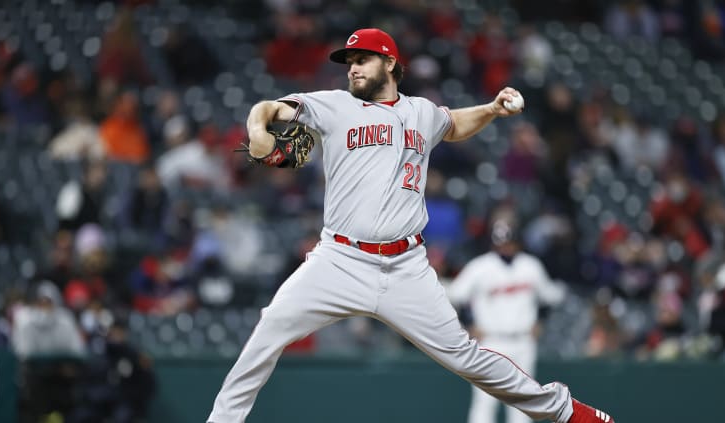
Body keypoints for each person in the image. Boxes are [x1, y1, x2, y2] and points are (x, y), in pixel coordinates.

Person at [207, 28, 614, 423]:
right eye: (350, 62)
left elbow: (452, 124)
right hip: (340, 259)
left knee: (466, 357)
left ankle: (564, 411)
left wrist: (490, 110)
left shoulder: (420, 111)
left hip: (406, 267)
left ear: (389, 62)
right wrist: (258, 130)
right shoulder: (334, 105)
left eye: (362, 59)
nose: (353, 68)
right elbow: (269, 108)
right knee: (269, 330)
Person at [447, 219, 567, 423]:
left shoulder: (530, 266)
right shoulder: (480, 267)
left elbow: (551, 296)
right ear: (493, 243)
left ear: (518, 242)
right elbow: (456, 296)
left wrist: (541, 320)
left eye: (509, 241)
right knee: (485, 401)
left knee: (524, 401)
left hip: (523, 341)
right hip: (492, 342)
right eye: (501, 242)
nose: (505, 246)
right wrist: (469, 323)